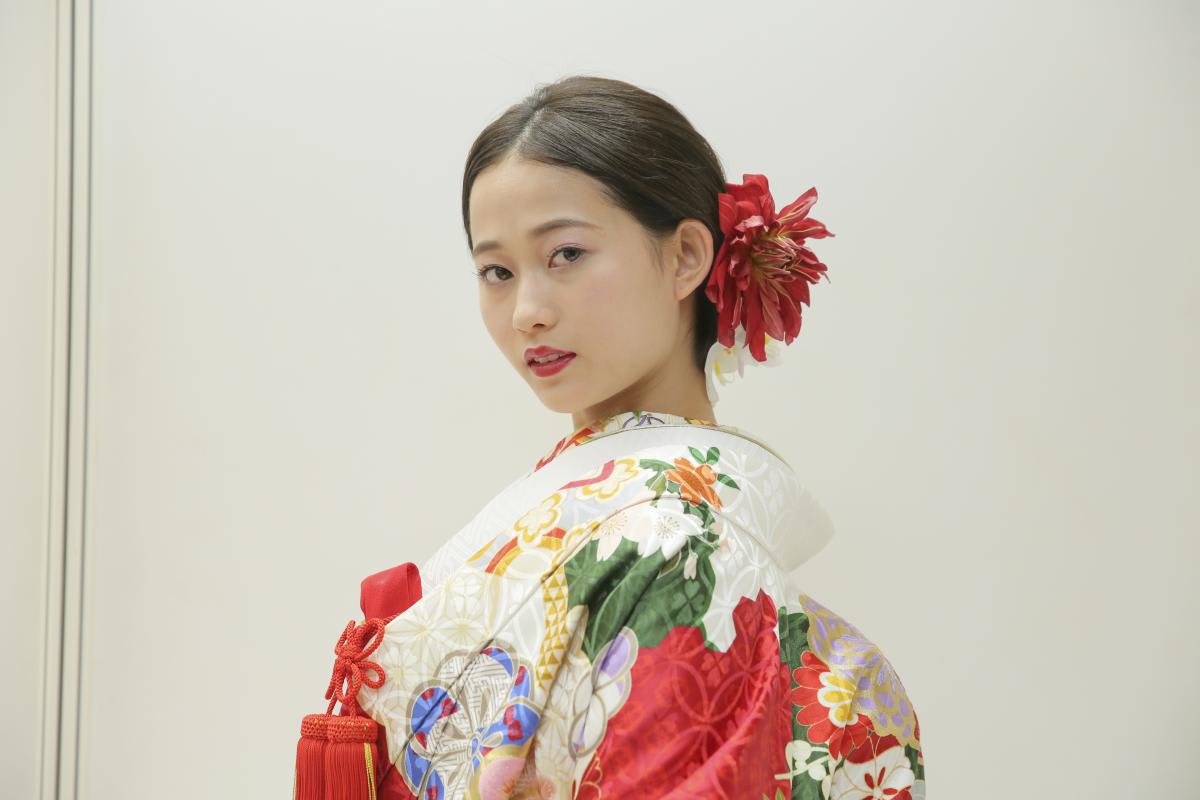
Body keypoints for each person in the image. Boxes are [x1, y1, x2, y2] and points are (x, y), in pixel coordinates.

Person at [293, 74, 925, 800]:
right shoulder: (600, 507)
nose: (527, 311)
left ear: (686, 256)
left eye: (566, 254)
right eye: (496, 271)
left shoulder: (682, 546)